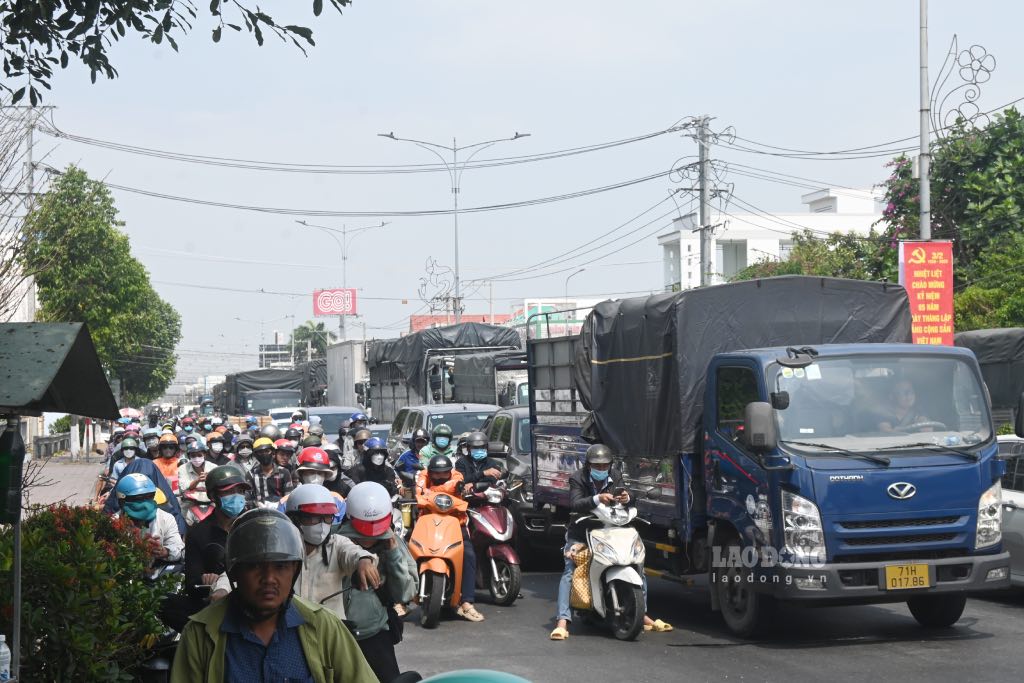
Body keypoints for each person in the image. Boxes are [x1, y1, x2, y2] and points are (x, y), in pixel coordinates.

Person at [170, 508, 379, 683]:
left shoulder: (325, 627)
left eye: (280, 567)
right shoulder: (200, 635)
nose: (269, 578)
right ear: (235, 572)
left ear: (294, 571)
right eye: (255, 567)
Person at [549, 444, 671, 641]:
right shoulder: (577, 478)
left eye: (605, 465)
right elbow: (575, 503)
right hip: (582, 532)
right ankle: (562, 621)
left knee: (637, 564)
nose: (601, 469)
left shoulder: (615, 474)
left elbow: (627, 497)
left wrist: (627, 497)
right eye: (597, 466)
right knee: (570, 569)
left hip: (611, 530)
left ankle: (643, 614)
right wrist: (597, 498)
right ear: (588, 465)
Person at [338, 482, 418, 683]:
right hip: (337, 637)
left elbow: (405, 594)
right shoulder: (335, 543)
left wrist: (392, 553)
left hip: (375, 637)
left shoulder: (393, 544)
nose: (370, 537)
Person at [163, 465, 252, 633]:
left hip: (251, 598)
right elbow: (192, 584)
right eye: (228, 492)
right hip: (213, 605)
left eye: (240, 491)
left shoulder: (253, 526)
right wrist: (207, 581)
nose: (236, 497)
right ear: (213, 496)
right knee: (164, 603)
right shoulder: (198, 533)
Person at [415, 454, 483, 622]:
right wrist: (443, 488)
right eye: (436, 474)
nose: (440, 476)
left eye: (444, 473)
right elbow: (419, 490)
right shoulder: (423, 475)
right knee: (408, 549)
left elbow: (456, 484)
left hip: (455, 523)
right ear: (430, 471)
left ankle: (467, 603)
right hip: (428, 522)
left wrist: (433, 491)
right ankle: (400, 600)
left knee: (468, 554)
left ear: (450, 471)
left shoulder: (457, 476)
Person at [115, 473, 184, 562]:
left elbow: (178, 547)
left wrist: (165, 551)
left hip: (158, 570)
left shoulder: (166, 518)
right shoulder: (113, 523)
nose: (145, 504)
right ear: (122, 500)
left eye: (149, 496)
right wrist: (137, 546)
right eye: (138, 498)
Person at [251, 436, 294, 506]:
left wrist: (279, 503)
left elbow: (289, 495)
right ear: (256, 456)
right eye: (260, 452)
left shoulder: (284, 472)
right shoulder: (251, 474)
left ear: (273, 453)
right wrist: (256, 503)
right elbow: (248, 497)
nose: (264, 455)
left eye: (267, 451)